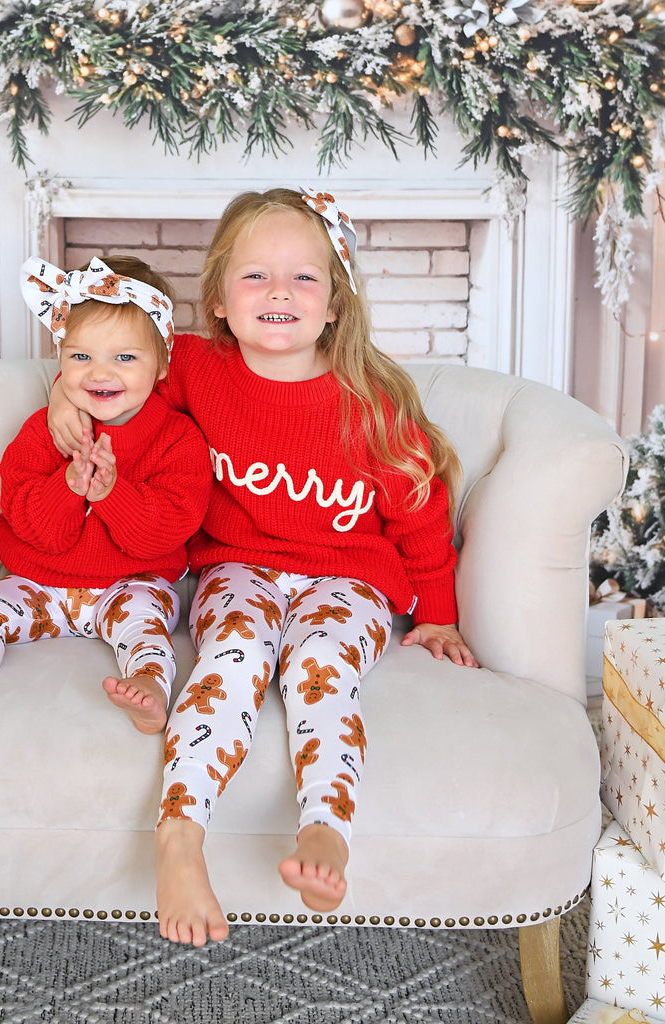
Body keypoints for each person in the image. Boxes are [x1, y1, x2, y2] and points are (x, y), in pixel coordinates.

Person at [47, 188, 480, 947]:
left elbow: (420, 513)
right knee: (233, 653)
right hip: (237, 568)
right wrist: (61, 395)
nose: (279, 292)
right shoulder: (193, 367)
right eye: (255, 276)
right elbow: (109, 368)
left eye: (303, 278)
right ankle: (180, 834)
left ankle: (326, 828)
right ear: (218, 299)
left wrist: (439, 614)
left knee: (321, 666)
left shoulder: (372, 401)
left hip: (349, 578)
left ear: (335, 304)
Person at [0, 255, 213, 735]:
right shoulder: (42, 432)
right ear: (60, 358)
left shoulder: (178, 440)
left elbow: (165, 533)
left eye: (125, 358)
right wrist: (67, 487)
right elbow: (30, 526)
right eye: (81, 357)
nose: (99, 373)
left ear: (162, 365)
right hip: (40, 584)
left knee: (146, 626)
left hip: (133, 585)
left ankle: (149, 686)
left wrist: (112, 494)